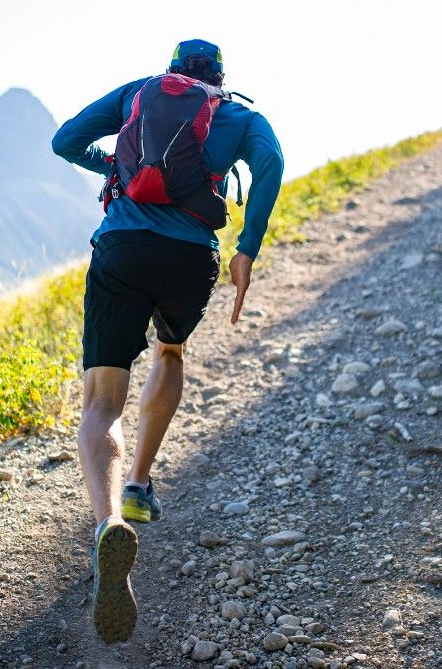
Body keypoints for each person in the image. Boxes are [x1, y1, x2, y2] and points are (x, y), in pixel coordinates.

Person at [50, 39, 285, 643]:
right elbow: (272, 166)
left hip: (123, 247)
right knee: (170, 352)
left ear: (173, 73)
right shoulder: (242, 117)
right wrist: (247, 250)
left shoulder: (137, 94)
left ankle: (107, 528)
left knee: (102, 401)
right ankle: (138, 487)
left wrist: (117, 170)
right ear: (220, 79)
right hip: (189, 260)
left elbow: (64, 140)